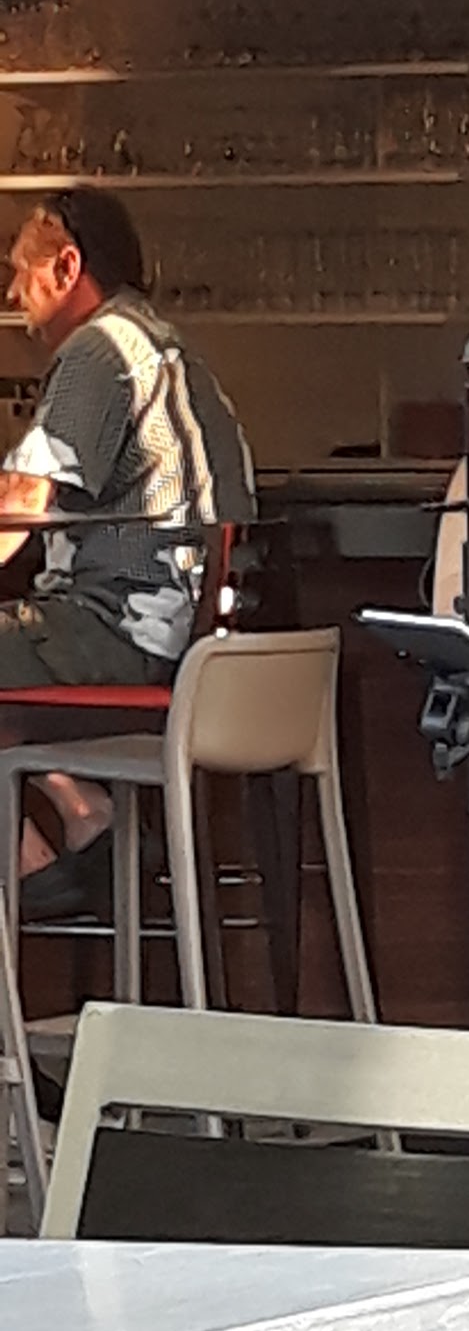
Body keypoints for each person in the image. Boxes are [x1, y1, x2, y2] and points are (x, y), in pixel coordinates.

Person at [0, 188, 254, 919]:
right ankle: (84, 815)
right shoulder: (168, 348)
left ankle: (31, 868)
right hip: (188, 641)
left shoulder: (100, 348)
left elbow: (21, 503)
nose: (13, 292)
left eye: (21, 270)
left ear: (66, 266)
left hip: (123, 631)